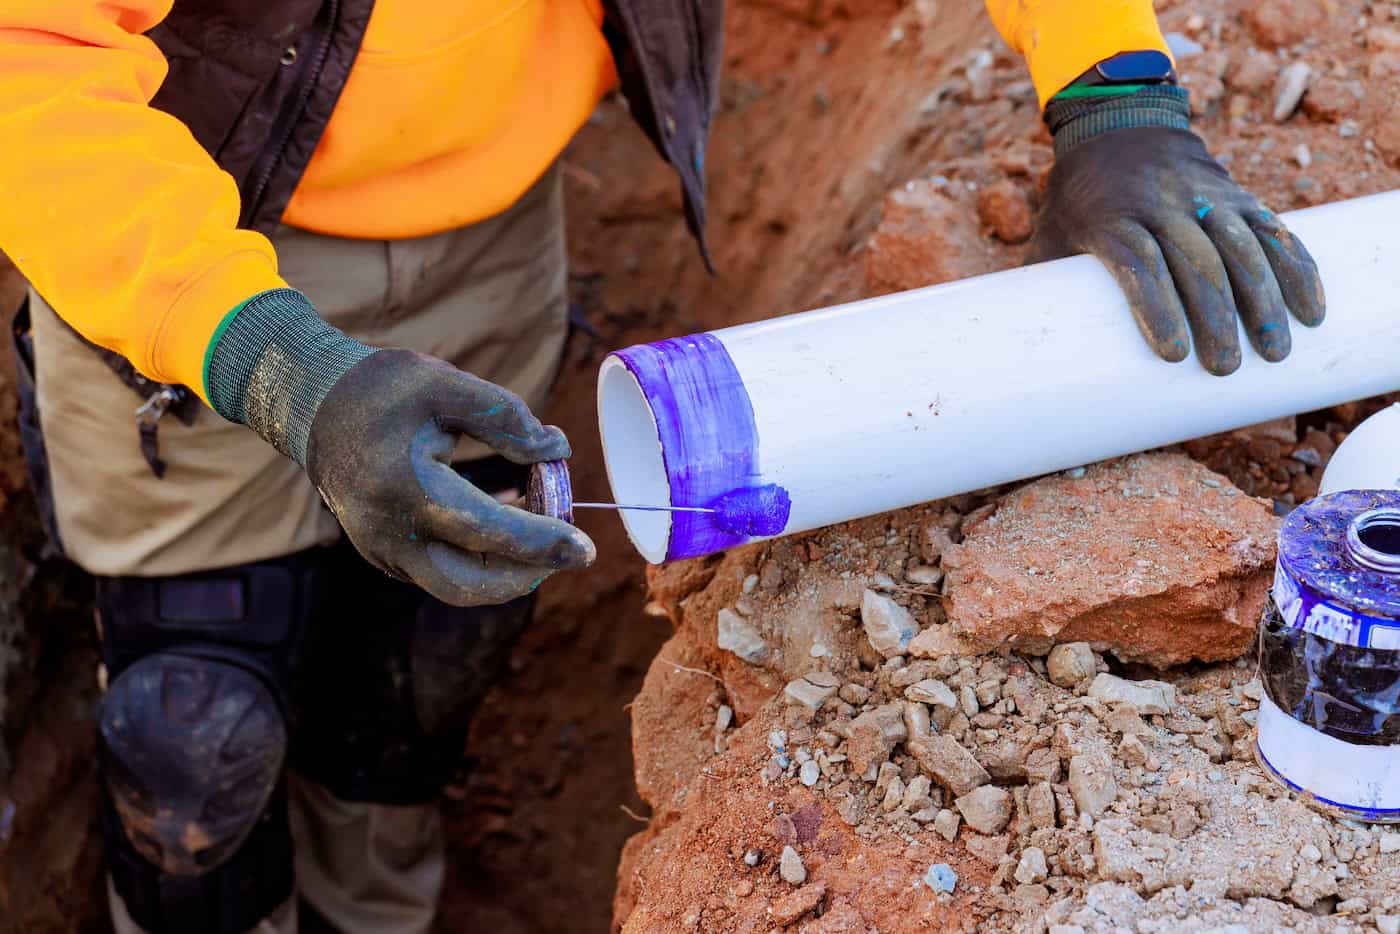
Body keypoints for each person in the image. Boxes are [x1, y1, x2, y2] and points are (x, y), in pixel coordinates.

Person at [0, 1, 1324, 931]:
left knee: (422, 661)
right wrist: (276, 365)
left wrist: (1112, 86)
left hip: (489, 233)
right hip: (182, 247)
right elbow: (27, 55)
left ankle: (380, 905)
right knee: (191, 738)